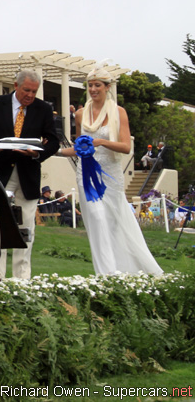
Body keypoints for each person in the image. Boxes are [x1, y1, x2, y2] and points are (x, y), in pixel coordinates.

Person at [57, 64, 162, 276]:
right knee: (96, 218)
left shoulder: (118, 113)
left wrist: (101, 142)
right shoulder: (80, 114)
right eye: (90, 85)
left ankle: (128, 268)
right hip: (86, 174)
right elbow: (79, 148)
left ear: (107, 87)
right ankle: (106, 273)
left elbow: (126, 147)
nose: (93, 89)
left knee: (114, 222)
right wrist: (50, 152)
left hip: (110, 174)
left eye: (97, 85)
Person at [0, 68, 59, 280]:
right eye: (26, 90)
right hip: (0, 173)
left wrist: (37, 154)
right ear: (16, 86)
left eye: (34, 91)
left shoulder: (43, 109)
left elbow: (54, 141)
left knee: (26, 227)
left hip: (28, 175)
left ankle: (22, 277)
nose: (30, 95)